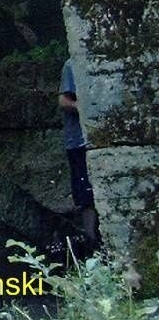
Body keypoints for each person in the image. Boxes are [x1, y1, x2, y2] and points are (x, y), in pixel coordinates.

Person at [60, 57, 101, 253]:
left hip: (97, 138)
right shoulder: (73, 64)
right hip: (79, 141)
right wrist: (83, 107)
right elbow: (64, 100)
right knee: (85, 194)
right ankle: (91, 240)